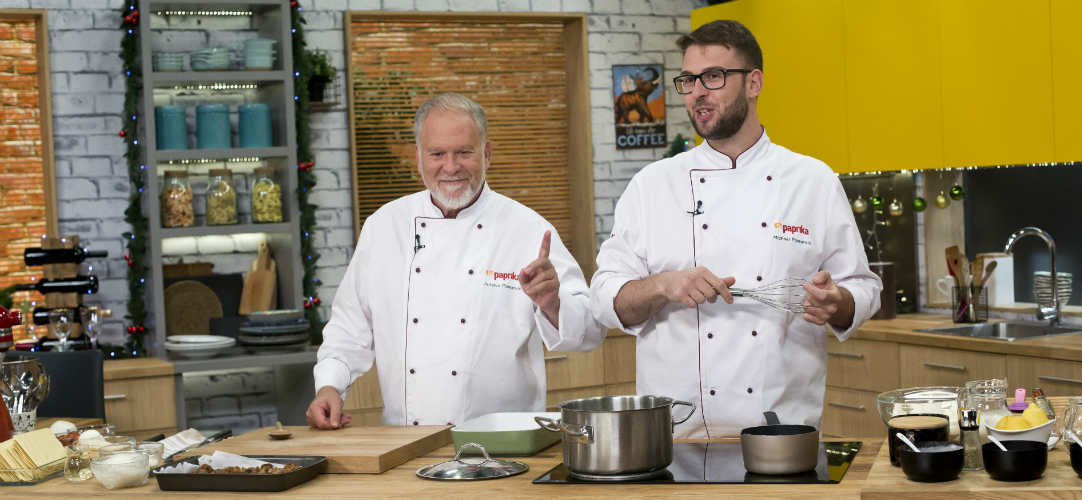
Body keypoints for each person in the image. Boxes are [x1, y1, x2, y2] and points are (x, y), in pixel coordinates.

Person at [590, 20, 883, 438]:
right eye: (688, 80)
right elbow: (605, 298)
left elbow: (862, 286)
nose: (697, 92)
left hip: (781, 433)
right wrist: (663, 285)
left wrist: (838, 302)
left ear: (753, 83)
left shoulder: (812, 181)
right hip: (676, 435)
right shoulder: (651, 185)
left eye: (713, 76)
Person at [307, 93, 605, 428]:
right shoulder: (384, 227)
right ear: (418, 157)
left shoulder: (528, 229)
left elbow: (592, 330)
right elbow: (349, 328)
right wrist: (329, 386)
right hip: (405, 442)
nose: (451, 167)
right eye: (437, 154)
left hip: (504, 441)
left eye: (464, 152)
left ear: (486, 154)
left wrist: (554, 304)